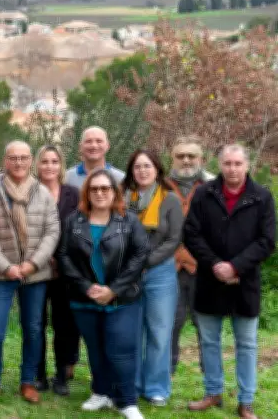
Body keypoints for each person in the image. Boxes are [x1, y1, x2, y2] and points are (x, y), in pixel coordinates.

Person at [184, 144, 275, 419]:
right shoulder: (203, 194)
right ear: (219, 165)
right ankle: (213, 393)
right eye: (227, 163)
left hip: (245, 283)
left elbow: (267, 241)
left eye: (237, 163)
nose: (232, 169)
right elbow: (191, 234)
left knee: (246, 344)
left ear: (247, 166)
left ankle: (246, 402)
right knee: (210, 341)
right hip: (210, 280)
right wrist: (215, 264)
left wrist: (236, 267)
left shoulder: (262, 197)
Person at [57, 169, 149, 419]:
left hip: (121, 298)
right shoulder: (74, 220)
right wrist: (86, 287)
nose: (99, 193)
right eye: (94, 189)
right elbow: (63, 256)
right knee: (95, 348)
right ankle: (101, 392)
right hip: (84, 297)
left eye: (104, 188)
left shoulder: (128, 220)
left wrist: (113, 290)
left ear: (114, 192)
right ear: (87, 192)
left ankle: (127, 401)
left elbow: (140, 256)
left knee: (120, 349)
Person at [0, 141, 60, 404]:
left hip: (35, 274)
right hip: (1, 274)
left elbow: (52, 231)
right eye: (14, 158)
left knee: (33, 329)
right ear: (5, 160)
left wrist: (32, 264)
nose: (19, 162)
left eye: (24, 158)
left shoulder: (42, 192)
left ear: (30, 161)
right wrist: (6, 266)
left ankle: (28, 381)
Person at [121, 149, 183, 406]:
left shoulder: (170, 200)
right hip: (128, 273)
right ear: (131, 171)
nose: (142, 171)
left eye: (147, 166)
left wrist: (146, 262)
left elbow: (175, 238)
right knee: (132, 331)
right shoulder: (124, 198)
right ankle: (132, 385)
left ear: (157, 169)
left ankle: (156, 387)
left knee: (159, 331)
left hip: (161, 273)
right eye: (137, 167)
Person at [33, 145, 80, 396]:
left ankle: (61, 374)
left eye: (54, 162)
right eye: (44, 161)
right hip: (36, 269)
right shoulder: (29, 193)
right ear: (37, 165)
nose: (49, 166)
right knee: (36, 322)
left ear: (61, 166)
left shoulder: (73, 195)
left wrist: (61, 258)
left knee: (65, 324)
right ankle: (38, 374)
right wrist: (42, 257)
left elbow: (79, 230)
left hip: (66, 271)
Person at [165, 136, 214, 375]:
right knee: (168, 323)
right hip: (168, 266)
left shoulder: (215, 186)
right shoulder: (160, 185)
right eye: (180, 155)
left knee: (205, 324)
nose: (186, 160)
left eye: (191, 156)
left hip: (203, 268)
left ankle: (211, 381)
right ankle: (164, 375)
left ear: (201, 159)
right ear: (172, 158)